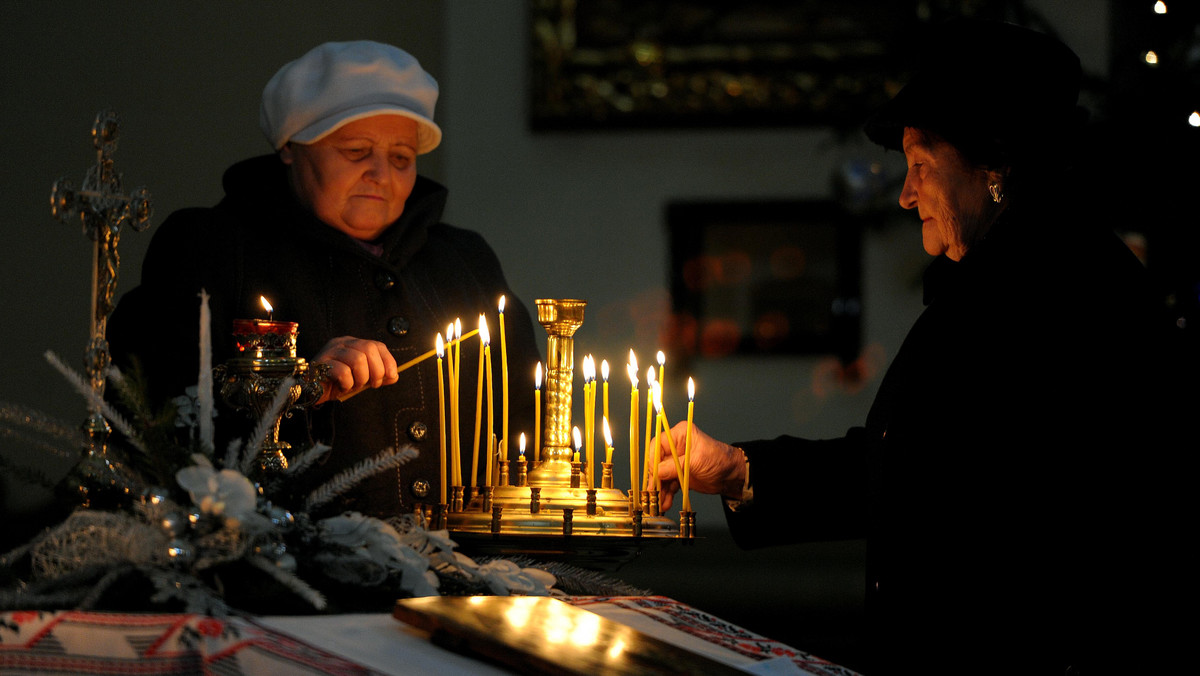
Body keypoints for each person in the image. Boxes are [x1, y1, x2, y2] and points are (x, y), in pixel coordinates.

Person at [653, 20, 1193, 675]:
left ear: (992, 163)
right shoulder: (1002, 283)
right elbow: (907, 464)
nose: (906, 195)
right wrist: (738, 471)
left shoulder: (1053, 294)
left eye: (919, 166)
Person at [109, 41, 541, 517]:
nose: (380, 174)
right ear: (291, 148)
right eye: (356, 151)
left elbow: (524, 415)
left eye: (401, 158)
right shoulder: (211, 249)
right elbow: (157, 420)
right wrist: (297, 388)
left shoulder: (463, 262)